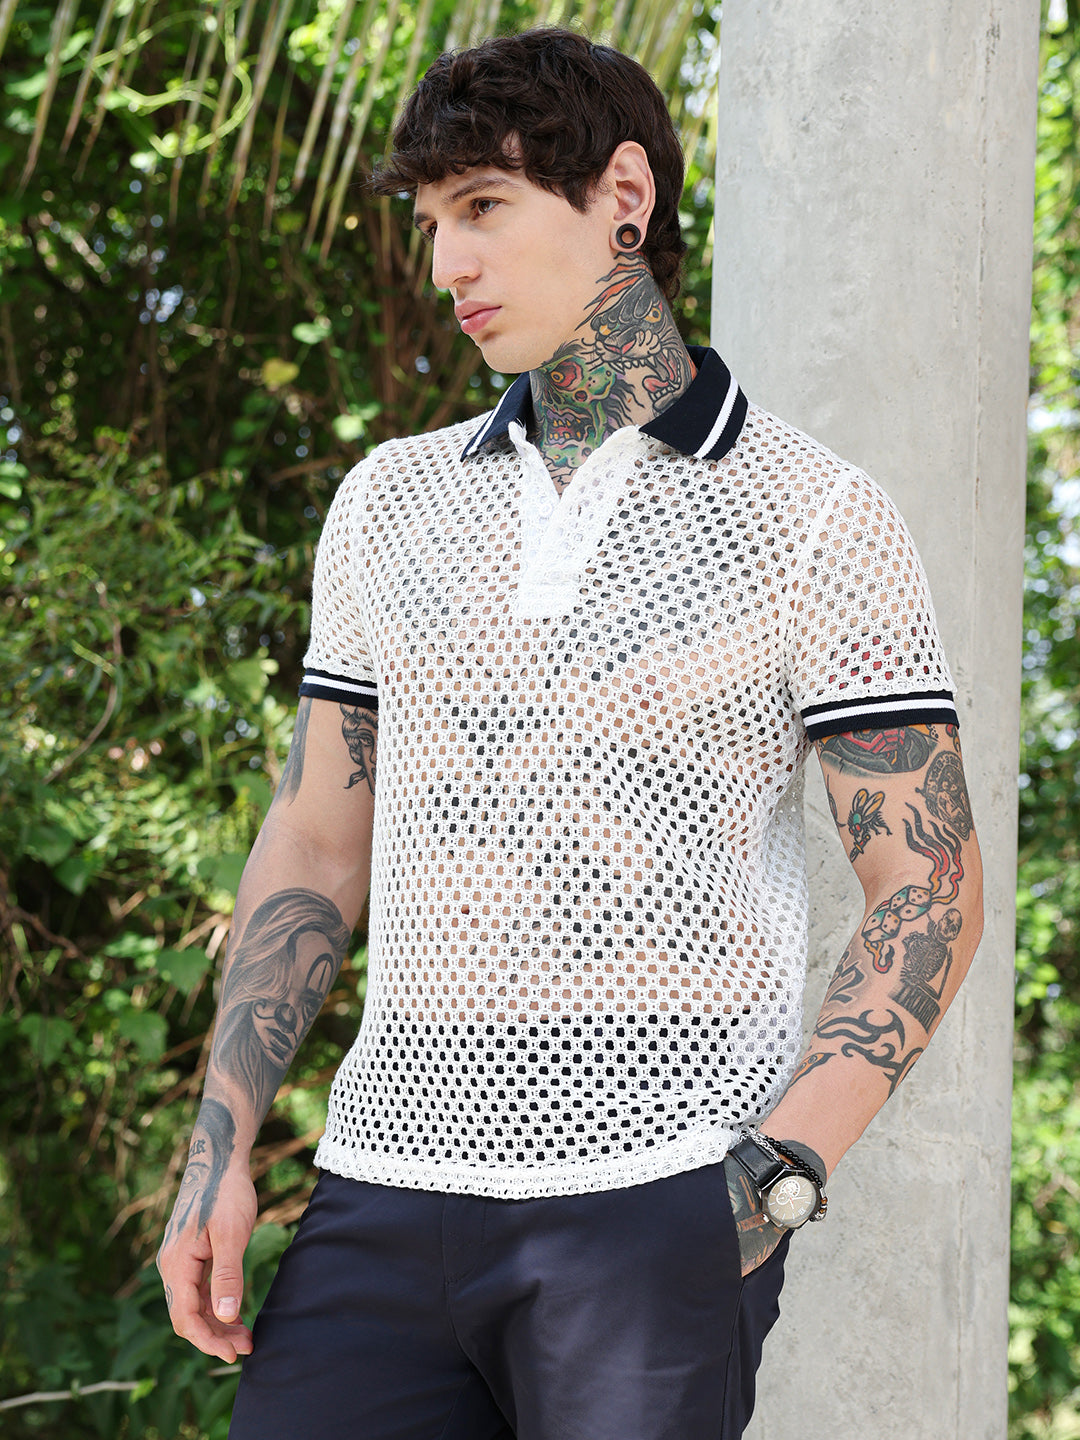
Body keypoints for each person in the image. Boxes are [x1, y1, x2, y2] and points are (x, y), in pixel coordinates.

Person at [157, 27, 983, 1440]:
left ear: (624, 197)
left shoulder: (814, 514)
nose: (447, 263)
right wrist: (218, 1148)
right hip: (382, 1189)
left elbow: (931, 881)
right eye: (432, 222)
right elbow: (317, 840)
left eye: (482, 206)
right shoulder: (390, 502)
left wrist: (774, 1178)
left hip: (654, 1208)